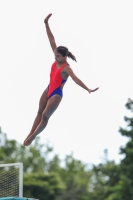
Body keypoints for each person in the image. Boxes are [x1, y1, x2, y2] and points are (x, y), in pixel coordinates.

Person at [23, 13, 99, 146]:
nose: (55, 57)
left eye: (58, 56)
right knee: (39, 112)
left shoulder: (66, 68)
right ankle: (29, 134)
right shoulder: (57, 56)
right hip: (48, 89)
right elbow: (52, 40)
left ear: (64, 57)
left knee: (45, 117)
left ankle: (33, 136)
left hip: (56, 94)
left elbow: (76, 79)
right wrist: (46, 24)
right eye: (55, 55)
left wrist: (88, 88)